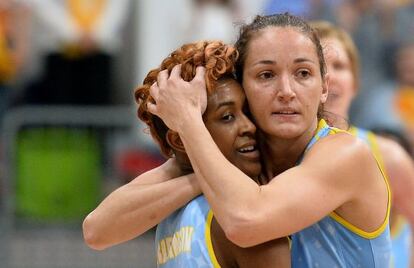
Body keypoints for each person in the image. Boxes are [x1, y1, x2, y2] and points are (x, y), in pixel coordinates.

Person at [147, 13, 392, 267]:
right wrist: (202, 175)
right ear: (242, 86)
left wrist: (188, 120)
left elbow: (245, 223)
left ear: (324, 88)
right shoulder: (242, 154)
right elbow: (102, 229)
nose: (286, 91)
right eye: (266, 75)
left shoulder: (346, 153)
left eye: (303, 73)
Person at [83, 40, 290, 267]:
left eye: (248, 111)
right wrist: (207, 175)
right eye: (227, 117)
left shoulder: (192, 193)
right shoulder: (194, 189)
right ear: (179, 140)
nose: (249, 126)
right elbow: (95, 230)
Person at [310, 20, 414, 268]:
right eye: (319, 66)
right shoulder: (281, 153)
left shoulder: (388, 155)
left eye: (340, 66)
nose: (330, 77)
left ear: (355, 83)